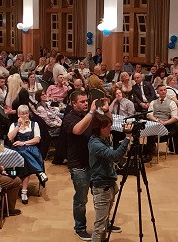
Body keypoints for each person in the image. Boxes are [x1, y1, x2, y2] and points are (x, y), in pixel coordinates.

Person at [61, 90, 103, 240]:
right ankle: (80, 227)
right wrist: (91, 113)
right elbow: (78, 130)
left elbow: (106, 125)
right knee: (81, 199)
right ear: (74, 104)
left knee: (101, 196)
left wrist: (106, 111)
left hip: (95, 162)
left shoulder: (91, 115)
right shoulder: (69, 118)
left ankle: (104, 224)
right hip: (78, 164)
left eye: (87, 101)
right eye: (82, 101)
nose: (86, 103)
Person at [88, 113, 132, 242]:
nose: (110, 129)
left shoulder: (104, 139)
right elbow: (115, 155)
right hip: (102, 187)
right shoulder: (95, 144)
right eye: (108, 127)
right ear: (100, 128)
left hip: (109, 183)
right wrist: (127, 137)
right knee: (100, 225)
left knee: (104, 221)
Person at [7, 104, 48, 204]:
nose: (25, 115)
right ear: (18, 115)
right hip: (17, 150)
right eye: (22, 114)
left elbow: (37, 139)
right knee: (21, 153)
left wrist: (24, 143)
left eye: (26, 113)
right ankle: (39, 171)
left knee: (24, 156)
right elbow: (10, 138)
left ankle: (24, 192)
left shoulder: (34, 124)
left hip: (31, 149)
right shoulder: (14, 125)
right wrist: (17, 126)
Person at [147, 85, 178, 155]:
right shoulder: (153, 102)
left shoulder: (172, 103)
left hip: (166, 124)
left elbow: (175, 117)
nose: (163, 92)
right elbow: (149, 115)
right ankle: (149, 152)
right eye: (161, 90)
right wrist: (157, 120)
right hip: (155, 123)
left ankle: (175, 149)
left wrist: (166, 122)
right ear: (158, 92)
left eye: (164, 90)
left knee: (176, 127)